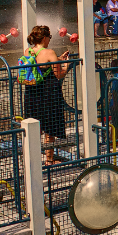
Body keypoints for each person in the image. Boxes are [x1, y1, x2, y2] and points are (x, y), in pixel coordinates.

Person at [20, 25, 71, 164]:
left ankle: (33, 159)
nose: (49, 40)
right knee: (50, 127)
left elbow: (39, 65)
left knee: (35, 127)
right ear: (44, 38)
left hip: (32, 92)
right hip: (48, 93)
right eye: (49, 37)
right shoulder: (49, 52)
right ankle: (49, 160)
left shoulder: (28, 50)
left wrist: (58, 58)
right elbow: (58, 74)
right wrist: (66, 65)